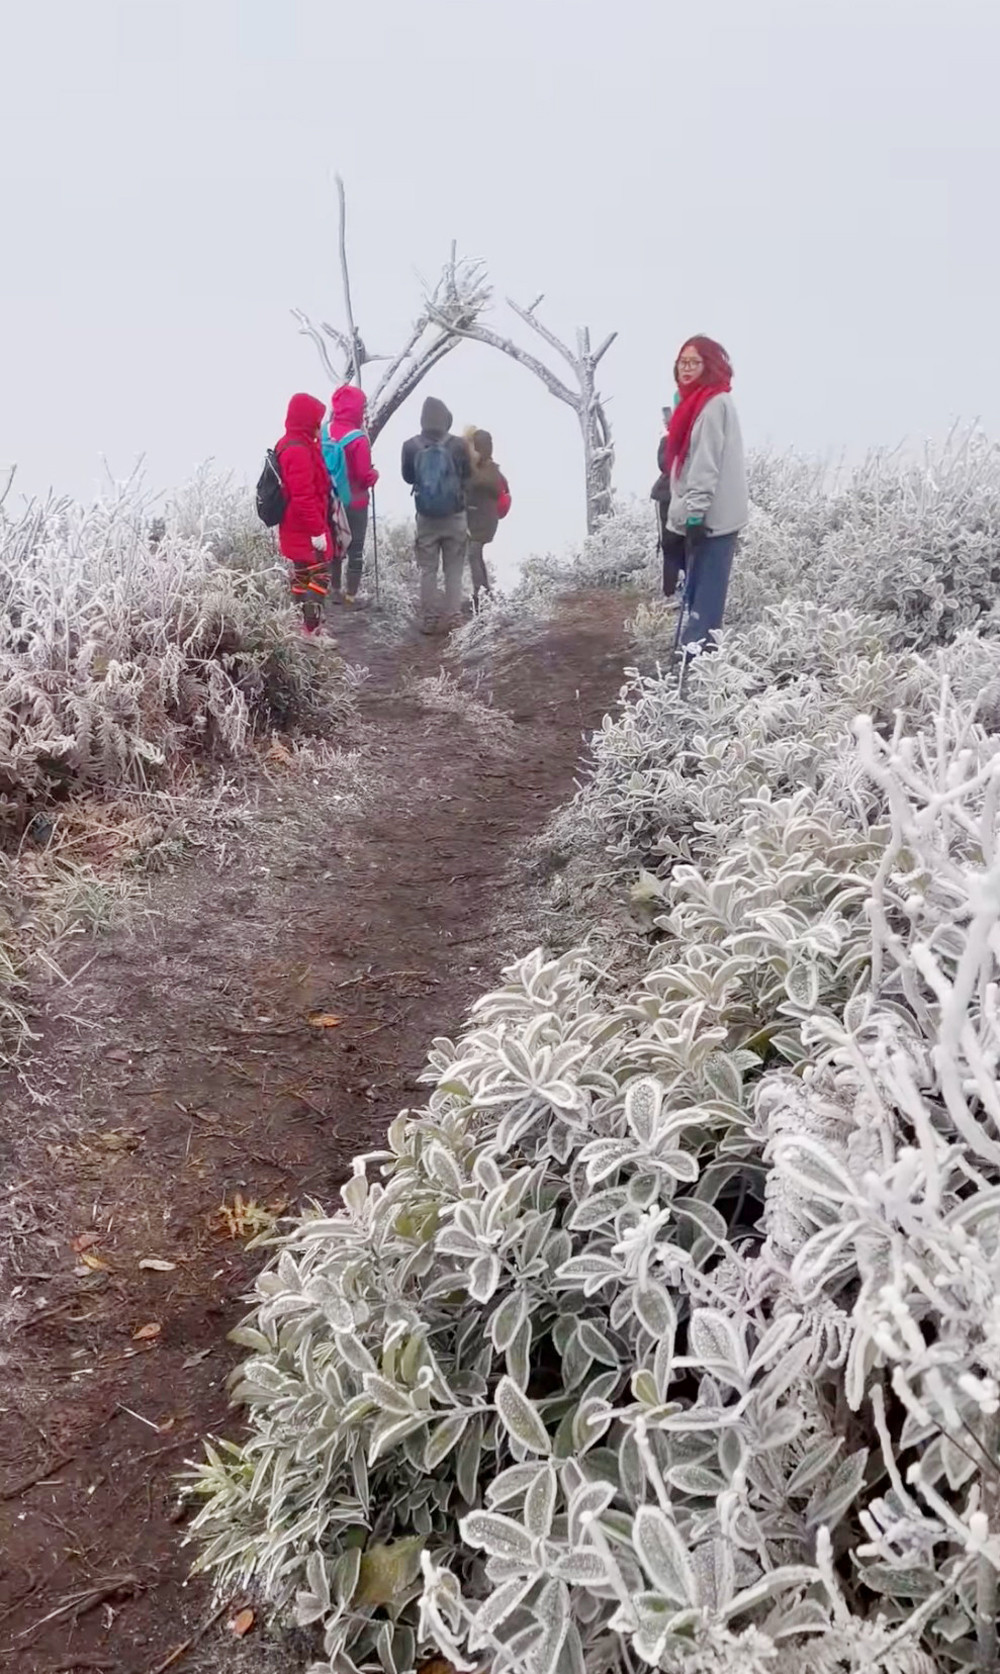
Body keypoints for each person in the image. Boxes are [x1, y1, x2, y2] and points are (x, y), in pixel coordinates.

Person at [665, 336, 748, 651]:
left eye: (694, 363)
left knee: (705, 599)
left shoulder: (712, 405)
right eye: (682, 362)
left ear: (710, 365)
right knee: (699, 593)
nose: (686, 369)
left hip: (712, 518)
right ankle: (694, 657)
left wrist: (695, 516)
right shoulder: (696, 402)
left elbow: (705, 465)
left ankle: (696, 665)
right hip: (707, 514)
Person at [401, 397, 471, 632]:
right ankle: (453, 616)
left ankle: (429, 619)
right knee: (453, 568)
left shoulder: (410, 445)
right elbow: (468, 475)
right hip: (455, 515)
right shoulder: (459, 445)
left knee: (428, 569)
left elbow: (409, 478)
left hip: (426, 517)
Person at [276, 392, 334, 636]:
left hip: (292, 522)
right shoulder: (298, 450)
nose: (319, 424)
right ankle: (311, 630)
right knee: (319, 575)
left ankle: (300, 625)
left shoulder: (289, 443)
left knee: (301, 573)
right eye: (316, 419)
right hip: (304, 524)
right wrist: (317, 530)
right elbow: (303, 496)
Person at [323, 384, 379, 607]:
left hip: (329, 499)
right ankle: (350, 596)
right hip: (354, 501)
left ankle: (334, 590)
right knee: (355, 547)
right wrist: (374, 474)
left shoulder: (325, 429)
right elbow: (364, 476)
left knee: (335, 544)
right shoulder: (358, 439)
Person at [463, 427, 510, 613]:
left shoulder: (487, 470)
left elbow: (479, 485)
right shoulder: (485, 468)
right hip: (479, 519)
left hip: (483, 521)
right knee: (476, 555)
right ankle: (484, 594)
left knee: (474, 554)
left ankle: (480, 599)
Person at [650, 398, 685, 601]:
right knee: (669, 544)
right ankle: (670, 593)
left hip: (689, 496)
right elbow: (665, 464)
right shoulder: (667, 441)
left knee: (689, 543)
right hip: (666, 495)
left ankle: (686, 589)